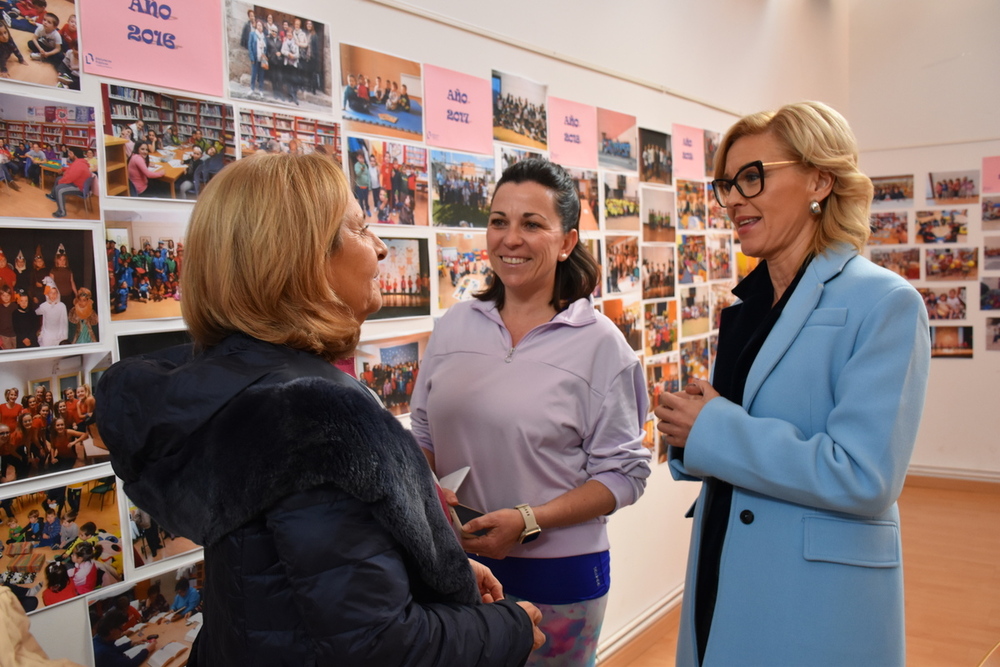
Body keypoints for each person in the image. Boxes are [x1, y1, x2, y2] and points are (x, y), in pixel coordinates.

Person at [95, 152, 543, 665]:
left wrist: (450, 570)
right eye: (360, 228)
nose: (379, 247)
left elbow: (322, 583)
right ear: (302, 255)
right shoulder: (311, 418)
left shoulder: (244, 393)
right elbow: (379, 647)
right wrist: (506, 627)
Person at [654, 101, 931, 667]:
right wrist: (690, 431)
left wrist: (714, 428)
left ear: (819, 180)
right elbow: (726, 429)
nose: (733, 199)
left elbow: (864, 475)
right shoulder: (749, 305)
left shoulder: (885, 303)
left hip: (813, 595)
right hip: (724, 563)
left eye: (752, 177)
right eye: (726, 183)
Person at [410, 158, 651, 666]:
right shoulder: (454, 326)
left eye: (531, 224)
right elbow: (424, 435)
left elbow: (625, 475)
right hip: (455, 567)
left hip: (558, 579)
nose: (510, 238)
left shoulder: (601, 345)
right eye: (499, 221)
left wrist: (528, 521)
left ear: (566, 241)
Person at [48, 148, 91, 218]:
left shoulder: (79, 164)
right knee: (59, 179)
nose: (69, 154)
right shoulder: (79, 162)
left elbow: (70, 178)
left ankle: (62, 212)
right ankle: (54, 196)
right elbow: (71, 168)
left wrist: (61, 182)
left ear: (75, 155)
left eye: (70, 153)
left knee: (59, 189)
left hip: (79, 187)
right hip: (79, 184)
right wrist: (63, 169)